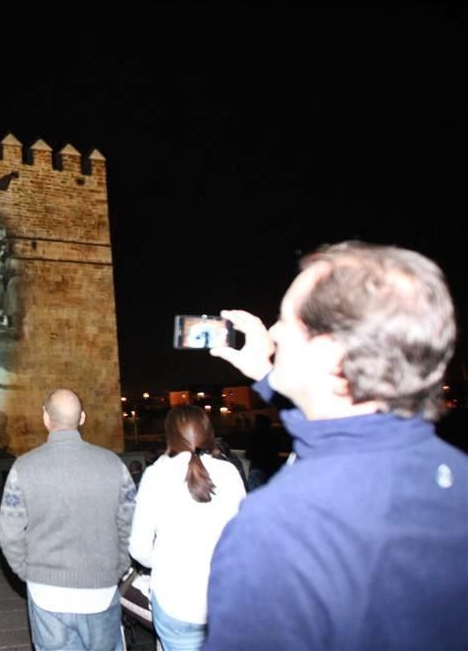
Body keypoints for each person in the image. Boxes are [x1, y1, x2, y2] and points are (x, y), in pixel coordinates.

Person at [204, 241, 467, 650]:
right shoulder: (453, 472)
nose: (273, 333)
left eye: (286, 322)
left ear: (329, 353)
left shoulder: (277, 529)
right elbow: (338, 434)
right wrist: (266, 373)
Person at [0, 389, 136, 651]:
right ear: (82, 418)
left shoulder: (23, 467)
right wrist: (117, 568)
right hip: (101, 591)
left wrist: (27, 571)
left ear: (46, 418)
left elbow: (9, 532)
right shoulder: (113, 464)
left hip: (46, 592)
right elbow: (130, 525)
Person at [128, 405, 245, 651]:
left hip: (174, 598)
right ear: (207, 432)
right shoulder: (229, 472)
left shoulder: (155, 475)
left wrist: (164, 561)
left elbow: (139, 548)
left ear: (169, 435)